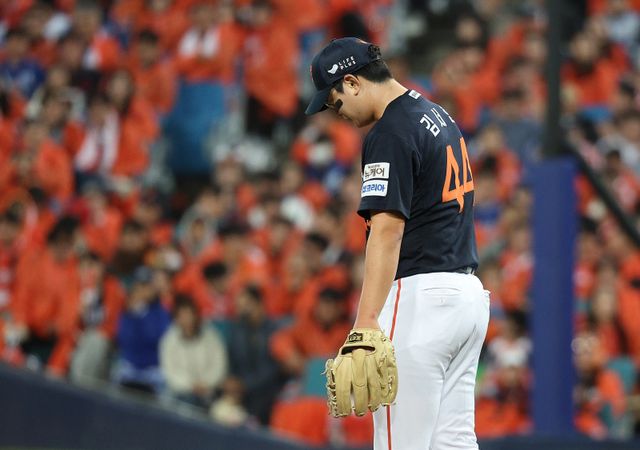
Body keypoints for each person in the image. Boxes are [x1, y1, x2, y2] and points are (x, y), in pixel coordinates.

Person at [305, 37, 490, 450]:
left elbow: (387, 230)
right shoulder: (436, 114)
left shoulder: (390, 131)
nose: (338, 113)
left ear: (352, 83)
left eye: (334, 102)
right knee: (453, 443)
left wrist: (365, 322)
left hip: (421, 301)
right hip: (467, 297)